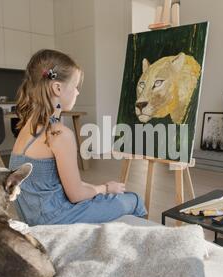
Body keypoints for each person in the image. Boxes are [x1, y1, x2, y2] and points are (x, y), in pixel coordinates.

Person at [8, 49, 147, 226]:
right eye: (75, 87)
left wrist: (98, 189)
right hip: (57, 219)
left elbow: (62, 185)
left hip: (33, 219)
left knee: (99, 192)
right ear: (57, 88)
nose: (77, 93)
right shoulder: (59, 134)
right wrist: (105, 188)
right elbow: (76, 195)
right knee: (133, 199)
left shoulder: (26, 128)